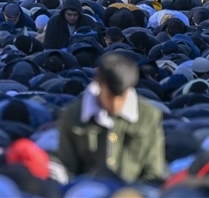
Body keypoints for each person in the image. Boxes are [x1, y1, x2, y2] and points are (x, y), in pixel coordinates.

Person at [56, 52, 166, 182]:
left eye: (122, 97)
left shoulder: (149, 115)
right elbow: (67, 169)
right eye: (110, 96)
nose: (116, 104)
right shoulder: (72, 115)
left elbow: (154, 170)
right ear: (98, 84)